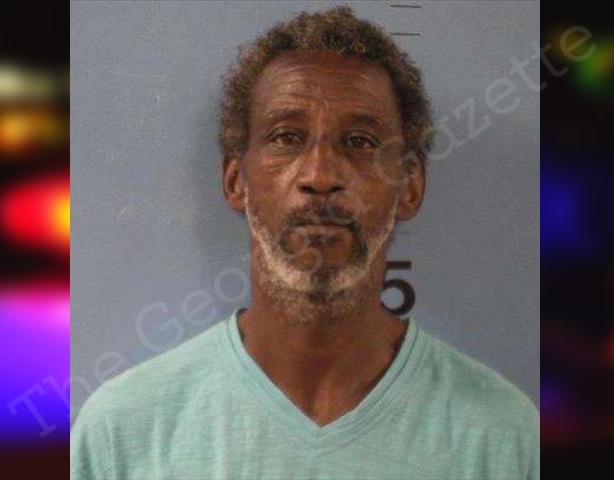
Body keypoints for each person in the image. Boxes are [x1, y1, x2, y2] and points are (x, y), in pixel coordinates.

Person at [71, 7, 539, 479]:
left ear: (410, 187)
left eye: (360, 141)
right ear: (236, 181)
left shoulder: (503, 439)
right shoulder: (123, 433)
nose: (320, 175)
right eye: (286, 137)